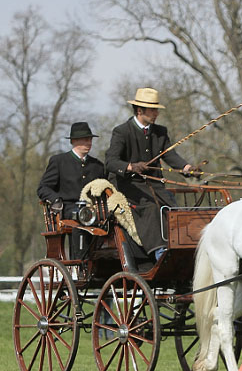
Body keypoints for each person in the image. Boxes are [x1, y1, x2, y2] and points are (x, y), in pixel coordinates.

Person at [105, 87, 198, 261]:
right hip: (128, 186)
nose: (156, 113)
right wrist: (131, 167)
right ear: (140, 110)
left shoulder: (160, 132)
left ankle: (179, 249)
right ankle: (160, 252)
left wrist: (187, 168)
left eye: (156, 109)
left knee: (172, 207)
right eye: (153, 109)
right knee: (152, 207)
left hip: (154, 185)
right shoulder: (122, 131)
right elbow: (110, 161)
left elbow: (169, 155)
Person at [37, 121, 106, 219]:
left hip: (93, 210)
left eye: (90, 139)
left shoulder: (98, 166)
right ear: (74, 141)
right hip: (67, 210)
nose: (89, 143)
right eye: (86, 139)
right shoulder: (59, 161)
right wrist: (56, 200)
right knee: (81, 215)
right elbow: (43, 188)